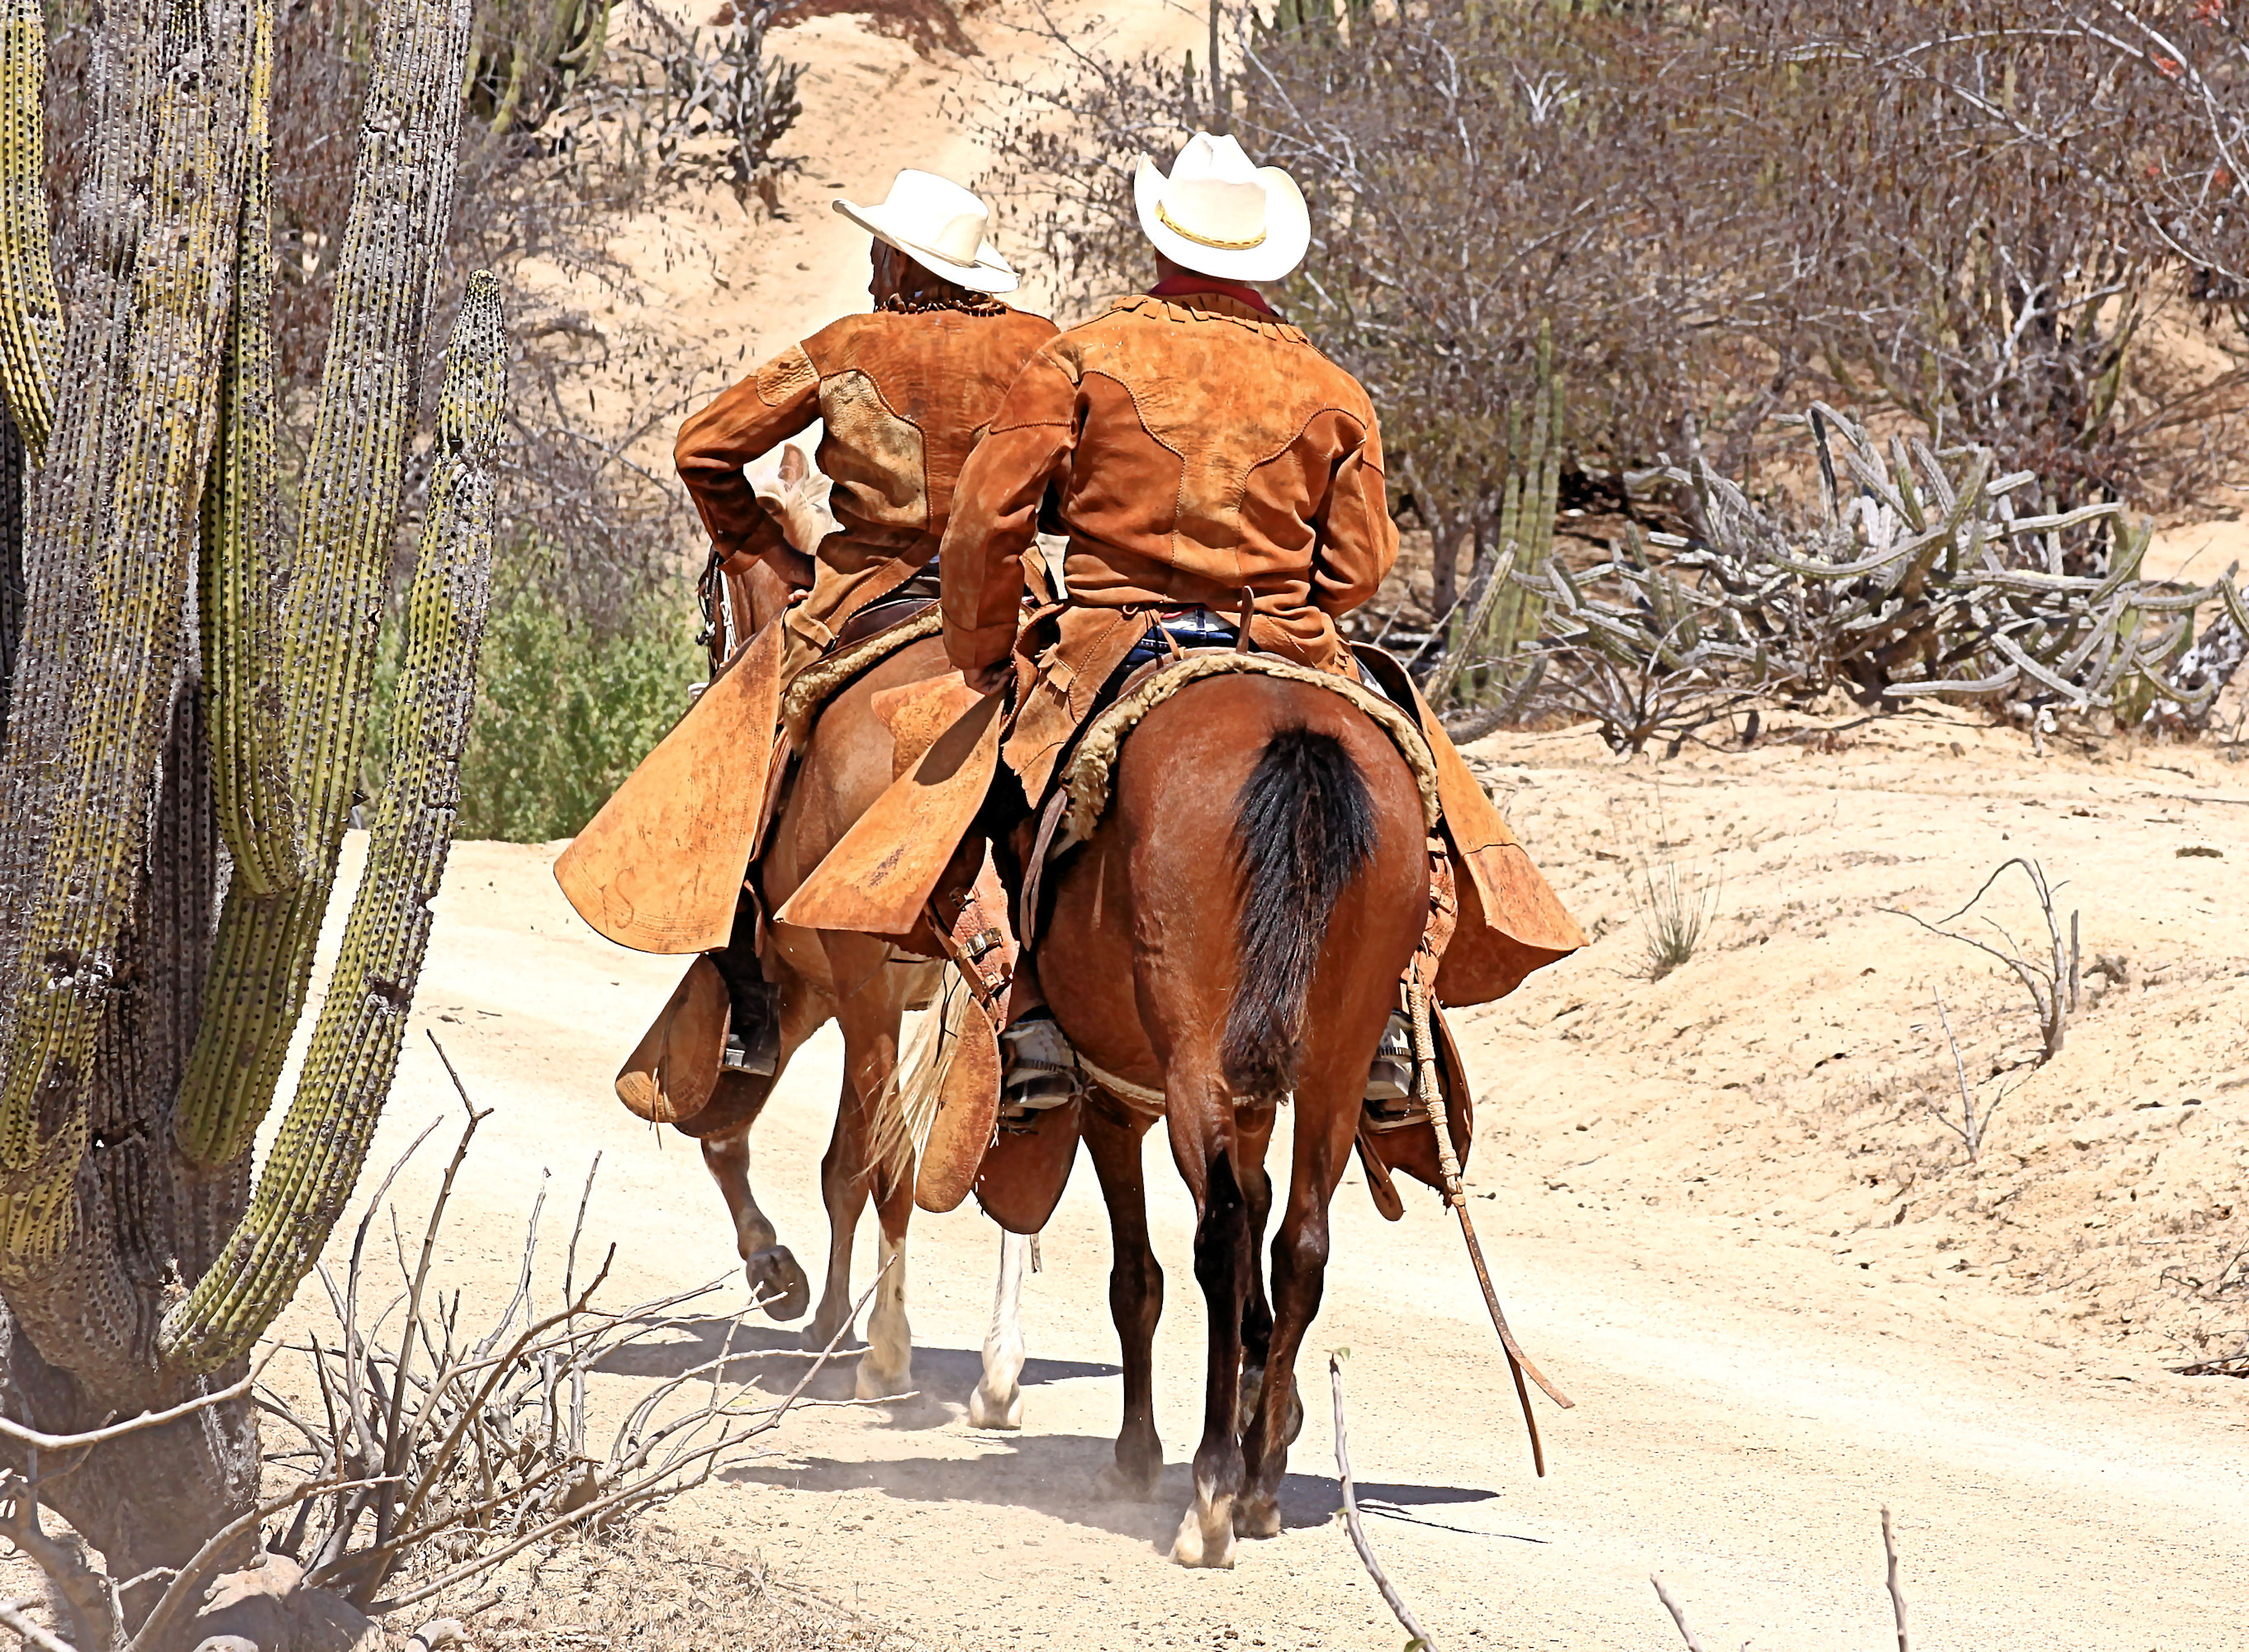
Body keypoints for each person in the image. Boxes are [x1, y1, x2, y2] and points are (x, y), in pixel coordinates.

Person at [933, 132, 1419, 1108]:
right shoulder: (1330, 389)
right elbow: (1362, 566)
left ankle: (1021, 1004)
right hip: (1288, 642)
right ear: (1263, 255)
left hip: (1112, 638)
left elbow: (986, 520)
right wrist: (1288, 605)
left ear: (1161, 245)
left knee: (969, 799)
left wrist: (984, 652)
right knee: (1427, 804)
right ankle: (1396, 1010)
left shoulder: (1083, 355)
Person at [672, 169, 1056, 1072]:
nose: (873, 269)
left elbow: (703, 446)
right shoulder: (1041, 349)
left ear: (902, 263)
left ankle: (744, 989)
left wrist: (762, 552)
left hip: (864, 589)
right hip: (1013, 594)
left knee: (746, 739)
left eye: (880, 251)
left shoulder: (848, 344)